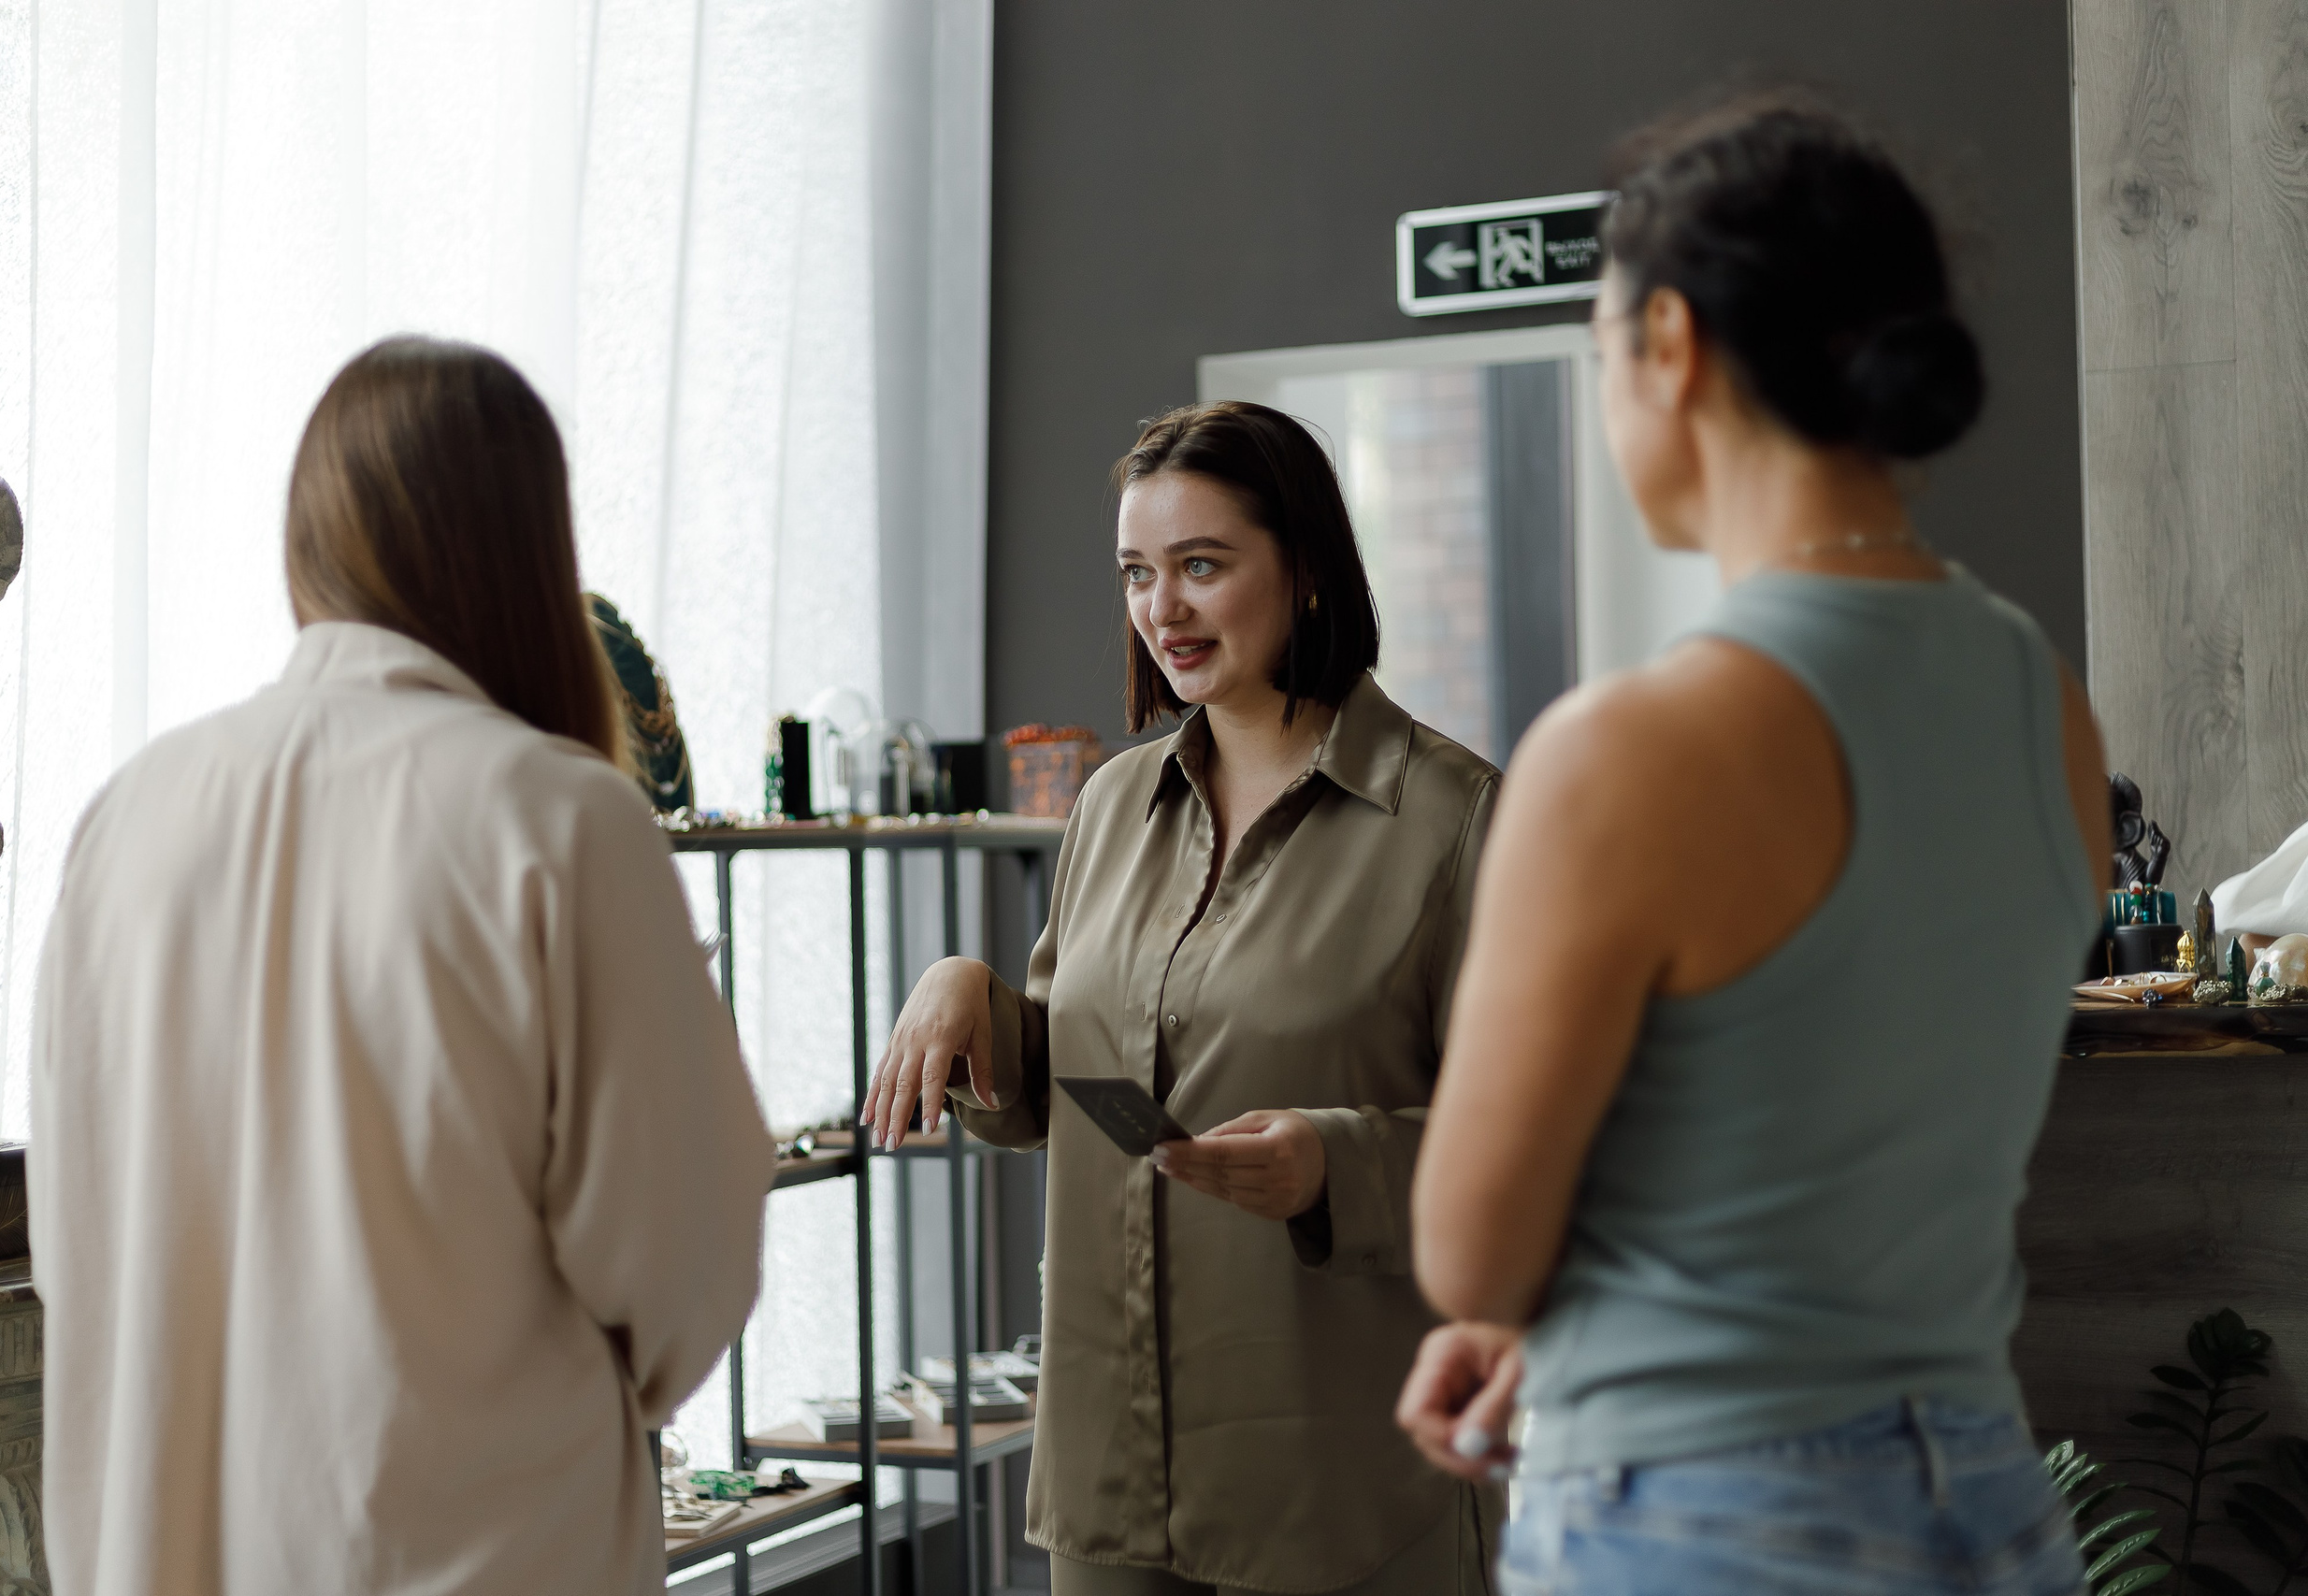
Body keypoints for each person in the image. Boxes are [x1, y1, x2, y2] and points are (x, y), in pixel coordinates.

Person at [1392, 94, 2113, 1596]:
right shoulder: (2038, 689)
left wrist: (1544, 1308)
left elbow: (1471, 1253)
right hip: (1985, 1499)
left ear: (1669, 341)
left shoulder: (1627, 748)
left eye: (1601, 352)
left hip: (1702, 1517)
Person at [29, 338, 770, 1595]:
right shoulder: (559, 820)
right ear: (531, 550)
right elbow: (686, 1268)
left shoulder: (126, 816)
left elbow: (80, 1234)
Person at [863, 400, 1499, 1594]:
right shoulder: (1109, 806)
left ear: (1304, 569)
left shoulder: (1455, 823)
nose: (1162, 610)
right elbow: (1062, 1081)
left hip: (1339, 1497)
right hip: (1114, 1484)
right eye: (1137, 575)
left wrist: (1334, 1161)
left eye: (1201, 566)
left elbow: (1539, 1153)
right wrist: (970, 997)